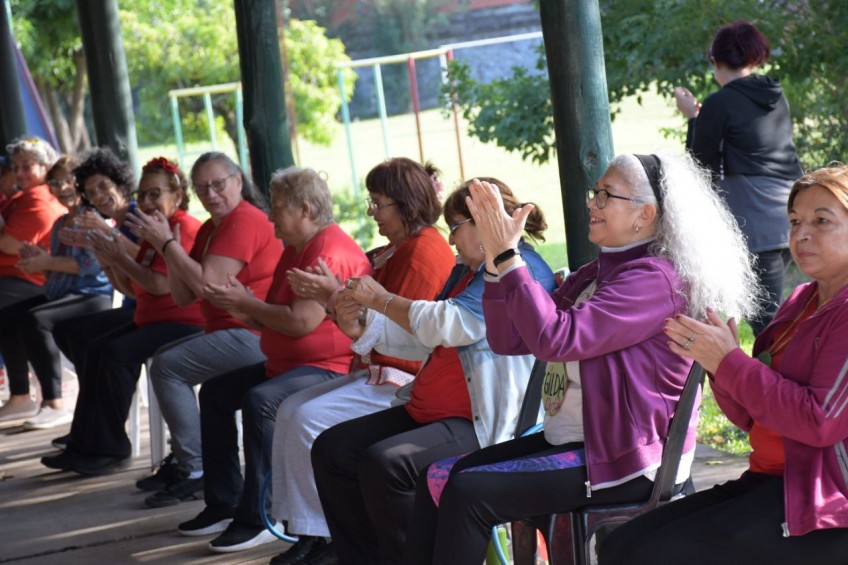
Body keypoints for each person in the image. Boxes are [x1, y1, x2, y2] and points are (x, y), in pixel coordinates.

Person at [402, 152, 761, 565]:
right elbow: (509, 339)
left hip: (625, 459)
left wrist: (508, 256)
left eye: (606, 195)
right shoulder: (597, 272)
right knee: (439, 477)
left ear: (644, 214)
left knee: (467, 492)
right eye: (595, 192)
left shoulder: (655, 280)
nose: (592, 202)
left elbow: (554, 339)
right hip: (578, 443)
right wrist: (496, 263)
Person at [598, 165, 848, 564]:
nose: (802, 234)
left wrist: (729, 362)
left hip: (824, 501)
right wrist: (717, 366)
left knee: (652, 554)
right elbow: (753, 418)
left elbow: (819, 421)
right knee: (619, 545)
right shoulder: (801, 301)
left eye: (822, 221)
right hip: (770, 481)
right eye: (795, 221)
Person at [310, 178, 556, 565]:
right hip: (433, 412)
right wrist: (361, 327)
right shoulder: (468, 270)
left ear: (485, 221)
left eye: (455, 228)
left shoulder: (517, 267)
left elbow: (449, 323)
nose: (452, 240)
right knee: (333, 449)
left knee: (387, 464)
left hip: (482, 423)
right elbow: (425, 336)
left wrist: (381, 300)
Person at [266, 157, 456, 565]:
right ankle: (309, 530)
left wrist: (334, 297)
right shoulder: (400, 249)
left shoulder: (423, 253)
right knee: (290, 410)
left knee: (306, 419)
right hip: (382, 368)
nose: (372, 213)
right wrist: (335, 298)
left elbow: (403, 337)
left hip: (401, 377)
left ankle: (326, 536)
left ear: (405, 204)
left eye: (378, 203)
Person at [175, 167, 371, 553]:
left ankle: (260, 516)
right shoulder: (296, 247)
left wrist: (248, 306)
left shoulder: (326, 251)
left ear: (306, 210)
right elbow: (276, 315)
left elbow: (301, 322)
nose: (270, 216)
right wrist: (242, 306)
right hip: (286, 363)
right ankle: (224, 502)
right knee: (215, 393)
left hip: (330, 367)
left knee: (261, 401)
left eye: (279, 207)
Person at [40, 157, 206, 475]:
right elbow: (129, 287)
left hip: (184, 322)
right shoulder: (152, 230)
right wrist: (107, 257)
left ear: (177, 195)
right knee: (94, 348)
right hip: (152, 318)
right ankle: (86, 443)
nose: (147, 202)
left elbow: (159, 284)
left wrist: (116, 250)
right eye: (143, 195)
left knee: (113, 353)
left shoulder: (180, 227)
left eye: (155, 194)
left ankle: (110, 447)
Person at [137, 151, 282, 507]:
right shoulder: (209, 228)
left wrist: (167, 245)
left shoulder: (243, 220)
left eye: (218, 184)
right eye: (203, 188)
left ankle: (193, 467)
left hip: (256, 332)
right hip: (226, 330)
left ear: (238, 181)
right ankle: (201, 473)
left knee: (167, 365)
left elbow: (207, 286)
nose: (211, 194)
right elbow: (184, 295)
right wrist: (169, 251)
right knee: (168, 363)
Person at [674, 21, 802, 335]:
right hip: (792, 211)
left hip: (755, 221)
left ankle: (770, 370)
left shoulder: (719, 102)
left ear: (716, 60)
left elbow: (699, 167)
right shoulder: (776, 96)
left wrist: (693, 118)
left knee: (763, 322)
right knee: (774, 315)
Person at [45, 147, 142, 450]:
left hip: (153, 312)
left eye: (103, 186)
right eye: (91, 192)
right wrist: (104, 255)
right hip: (135, 306)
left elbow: (150, 274)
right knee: (69, 332)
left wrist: (109, 238)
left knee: (101, 350)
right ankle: (87, 430)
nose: (99, 196)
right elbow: (126, 288)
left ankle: (105, 440)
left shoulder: (137, 217)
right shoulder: (115, 223)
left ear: (119, 182)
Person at [12, 156, 113, 430]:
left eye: (69, 181)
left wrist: (47, 261)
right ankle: (20, 395)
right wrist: (39, 260)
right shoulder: (60, 223)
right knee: (11, 316)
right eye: (56, 183)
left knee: (35, 320)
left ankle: (54, 402)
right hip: (64, 295)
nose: (63, 188)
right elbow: (55, 275)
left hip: (93, 296)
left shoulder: (91, 218)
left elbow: (91, 266)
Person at [0, 137, 65, 422]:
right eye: (16, 167)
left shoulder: (40, 199)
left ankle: (50, 400)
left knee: (24, 317)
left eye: (27, 166)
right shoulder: (22, 198)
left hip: (36, 281)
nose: (20, 173)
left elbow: (8, 244)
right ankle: (20, 396)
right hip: (16, 280)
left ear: (45, 167)